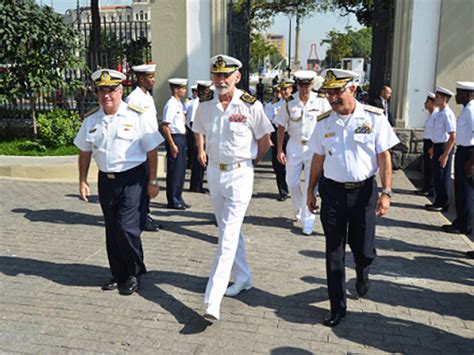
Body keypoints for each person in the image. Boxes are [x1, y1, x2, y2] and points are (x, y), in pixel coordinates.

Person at [306, 69, 400, 327]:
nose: (333, 98)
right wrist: (310, 190)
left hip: (364, 194)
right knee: (334, 251)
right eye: (328, 93)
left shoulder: (374, 118)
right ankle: (337, 306)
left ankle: (363, 271)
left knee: (362, 248)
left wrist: (386, 191)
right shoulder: (324, 122)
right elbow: (318, 158)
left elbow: (384, 157)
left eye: (338, 92)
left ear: (353, 89)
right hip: (333, 193)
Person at [192, 54, 273, 321]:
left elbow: (265, 140)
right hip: (215, 173)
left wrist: (251, 163)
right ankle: (244, 277)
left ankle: (211, 300)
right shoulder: (205, 105)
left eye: (226, 75)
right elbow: (199, 130)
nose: (221, 80)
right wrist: (202, 150)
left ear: (237, 77)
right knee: (229, 229)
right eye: (217, 75)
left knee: (225, 238)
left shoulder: (250, 105)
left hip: (240, 173)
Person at [74, 69, 163, 295]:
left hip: (133, 179)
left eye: (111, 90)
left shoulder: (137, 115)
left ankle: (134, 272)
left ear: (120, 90)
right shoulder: (91, 120)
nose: (107, 95)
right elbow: (84, 152)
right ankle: (119, 273)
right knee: (112, 230)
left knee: (127, 228)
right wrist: (82, 180)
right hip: (106, 180)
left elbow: (152, 150)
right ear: (97, 92)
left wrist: (153, 180)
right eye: (102, 90)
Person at [275, 71, 331, 235]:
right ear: (296, 86)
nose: (304, 89)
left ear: (312, 85)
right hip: (294, 145)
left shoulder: (321, 101)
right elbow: (280, 126)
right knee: (291, 182)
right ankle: (299, 207)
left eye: (307, 86)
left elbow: (329, 123)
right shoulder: (289, 102)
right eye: (301, 85)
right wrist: (279, 149)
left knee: (310, 184)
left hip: (314, 147)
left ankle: (308, 220)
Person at [126, 63, 162, 232]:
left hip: (149, 145)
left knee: (148, 181)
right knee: (142, 184)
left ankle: (145, 214)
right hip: (140, 147)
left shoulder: (147, 96)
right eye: (150, 77)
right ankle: (141, 218)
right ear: (140, 78)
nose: (153, 80)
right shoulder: (134, 98)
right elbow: (133, 125)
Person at [442, 82, 474, 235]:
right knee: (460, 190)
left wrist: (472, 162)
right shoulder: (466, 109)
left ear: (468, 94)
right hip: (463, 151)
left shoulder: (471, 110)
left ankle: (465, 224)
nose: (456, 96)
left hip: (469, 153)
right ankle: (459, 222)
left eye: (459, 93)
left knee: (466, 191)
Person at [425, 86, 456, 212]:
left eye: (437, 97)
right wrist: (433, 147)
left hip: (444, 146)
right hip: (438, 145)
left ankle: (443, 203)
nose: (435, 99)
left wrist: (445, 154)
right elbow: (437, 134)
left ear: (444, 99)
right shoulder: (440, 113)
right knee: (437, 176)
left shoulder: (447, 114)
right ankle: (438, 201)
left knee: (443, 176)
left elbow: (452, 136)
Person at [160, 78, 190, 210]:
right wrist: (172, 144)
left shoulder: (179, 104)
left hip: (182, 137)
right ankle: (173, 199)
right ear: (175, 89)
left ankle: (179, 196)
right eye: (182, 88)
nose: (184, 91)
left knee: (181, 169)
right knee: (174, 170)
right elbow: (165, 126)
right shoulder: (170, 104)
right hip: (175, 138)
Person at [264, 83, 289, 201]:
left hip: (291, 134)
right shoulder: (272, 106)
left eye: (284, 90)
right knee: (278, 165)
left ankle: (292, 187)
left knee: (292, 164)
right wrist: (268, 138)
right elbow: (268, 123)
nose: (281, 93)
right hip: (277, 134)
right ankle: (283, 191)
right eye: (279, 91)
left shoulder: (294, 103)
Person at [187, 80, 213, 193]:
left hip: (204, 136)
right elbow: (193, 123)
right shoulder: (196, 103)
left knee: (201, 164)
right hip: (196, 137)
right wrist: (197, 141)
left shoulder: (205, 103)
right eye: (206, 91)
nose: (208, 93)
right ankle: (195, 186)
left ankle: (199, 184)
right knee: (197, 163)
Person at [415, 92, 438, 197]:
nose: (425, 103)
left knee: (430, 167)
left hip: (432, 142)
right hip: (427, 141)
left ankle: (430, 189)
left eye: (427, 102)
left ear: (433, 103)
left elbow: (436, 132)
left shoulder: (436, 115)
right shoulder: (431, 114)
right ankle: (426, 187)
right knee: (427, 166)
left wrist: (433, 146)